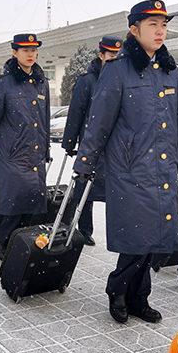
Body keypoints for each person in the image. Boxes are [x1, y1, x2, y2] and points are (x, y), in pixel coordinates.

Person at [73, 0, 178, 324]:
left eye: (163, 25)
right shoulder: (117, 70)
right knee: (139, 237)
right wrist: (85, 164)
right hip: (129, 169)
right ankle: (119, 289)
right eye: (153, 24)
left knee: (155, 239)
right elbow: (99, 123)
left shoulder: (170, 71)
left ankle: (139, 297)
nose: (160, 31)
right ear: (134, 29)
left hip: (163, 169)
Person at [0, 34, 50, 260]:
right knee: (14, 200)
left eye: (34, 50)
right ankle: (4, 243)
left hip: (34, 153)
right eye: (25, 50)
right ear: (15, 52)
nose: (30, 54)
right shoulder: (3, 83)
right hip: (11, 152)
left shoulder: (41, 82)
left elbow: (43, 119)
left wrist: (45, 149)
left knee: (34, 201)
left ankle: (22, 243)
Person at [62, 36, 122, 246]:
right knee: (85, 190)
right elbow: (76, 112)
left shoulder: (123, 77)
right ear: (101, 55)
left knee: (116, 191)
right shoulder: (87, 80)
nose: (115, 60)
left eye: (118, 56)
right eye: (110, 56)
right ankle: (83, 229)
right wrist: (69, 142)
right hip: (92, 145)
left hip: (116, 147)